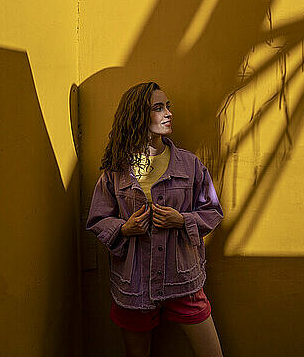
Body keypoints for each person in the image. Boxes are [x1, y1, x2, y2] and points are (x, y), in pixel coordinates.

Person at [86, 81, 224, 357]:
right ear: (138, 115)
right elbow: (98, 218)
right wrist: (124, 228)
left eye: (168, 106)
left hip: (182, 277)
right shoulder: (116, 169)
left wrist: (182, 220)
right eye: (158, 108)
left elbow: (212, 211)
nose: (168, 113)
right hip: (134, 282)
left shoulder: (190, 164)